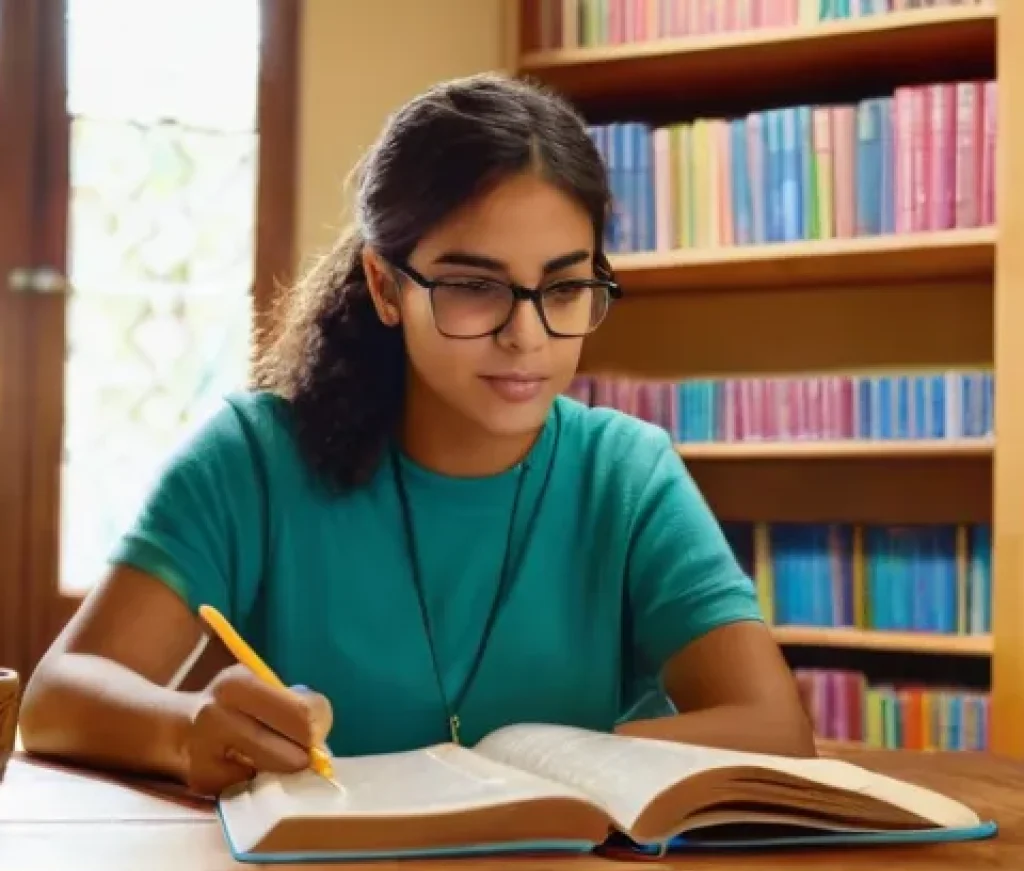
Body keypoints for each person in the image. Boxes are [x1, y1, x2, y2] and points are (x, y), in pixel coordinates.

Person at [19, 73, 815, 797]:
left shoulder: (627, 473)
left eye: (566, 287)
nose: (527, 336)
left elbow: (773, 728)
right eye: (474, 287)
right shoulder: (254, 458)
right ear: (384, 285)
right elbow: (58, 697)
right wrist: (189, 728)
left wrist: (567, 763)